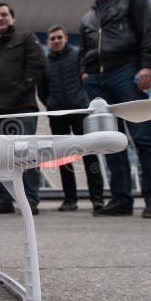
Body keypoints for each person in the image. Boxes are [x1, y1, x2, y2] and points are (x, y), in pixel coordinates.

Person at [80, 0, 151, 218]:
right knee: (111, 142)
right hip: (97, 80)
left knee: (142, 137)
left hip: (127, 72)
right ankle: (121, 199)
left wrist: (148, 65)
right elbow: (84, 48)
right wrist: (85, 73)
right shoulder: (88, 16)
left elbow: (150, 29)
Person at [0, 3, 46, 215]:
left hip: (20, 108)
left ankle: (31, 199)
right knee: (0, 158)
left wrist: (22, 88)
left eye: (4, 14)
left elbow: (38, 64)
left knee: (26, 155)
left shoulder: (25, 38)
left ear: (12, 18)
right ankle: (3, 200)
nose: (0, 18)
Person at [38, 24, 105, 213]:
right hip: (57, 114)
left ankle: (97, 199)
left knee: (89, 154)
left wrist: (83, 101)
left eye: (60, 37)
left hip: (80, 112)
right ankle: (70, 199)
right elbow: (42, 90)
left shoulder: (77, 56)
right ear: (48, 42)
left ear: (66, 38)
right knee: (63, 157)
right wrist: (51, 103)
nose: (57, 41)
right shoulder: (45, 63)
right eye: (53, 38)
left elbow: (87, 80)